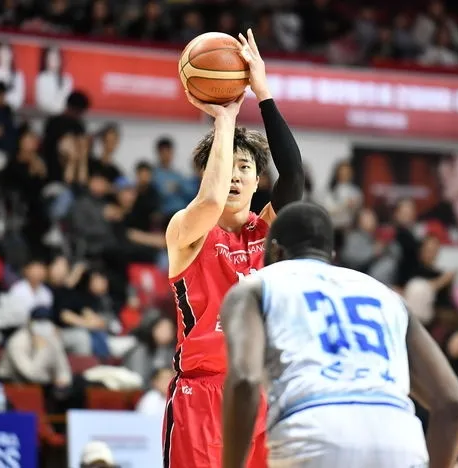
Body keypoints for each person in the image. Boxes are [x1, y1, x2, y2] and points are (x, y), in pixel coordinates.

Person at [219, 202, 458, 468]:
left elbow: (244, 380)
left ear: (275, 251)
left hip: (313, 434)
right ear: (331, 254)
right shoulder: (387, 296)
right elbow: (454, 404)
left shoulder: (255, 285)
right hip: (400, 441)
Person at [163, 29, 304, 468]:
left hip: (261, 389)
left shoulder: (268, 229)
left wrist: (261, 91)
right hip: (200, 394)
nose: (235, 175)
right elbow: (208, 201)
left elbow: (295, 176)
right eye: (227, 166)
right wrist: (225, 119)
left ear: (258, 180)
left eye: (246, 167)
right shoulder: (186, 229)